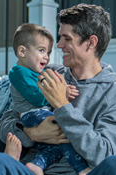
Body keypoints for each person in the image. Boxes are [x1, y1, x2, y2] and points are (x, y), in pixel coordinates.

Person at [0, 3, 116, 175]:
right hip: (33, 170)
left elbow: (104, 154)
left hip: (81, 172)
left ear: (91, 42)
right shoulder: (49, 73)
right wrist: (32, 134)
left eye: (67, 38)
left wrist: (62, 105)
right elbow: (5, 124)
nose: (58, 45)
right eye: (60, 37)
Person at [9, 23, 90, 175]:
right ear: (22, 51)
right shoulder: (19, 73)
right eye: (41, 50)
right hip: (32, 114)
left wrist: (63, 86)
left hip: (39, 114)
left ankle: (37, 165)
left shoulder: (39, 71)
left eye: (48, 52)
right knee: (66, 128)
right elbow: (37, 99)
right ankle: (81, 168)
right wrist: (61, 93)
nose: (46, 57)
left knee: (56, 145)